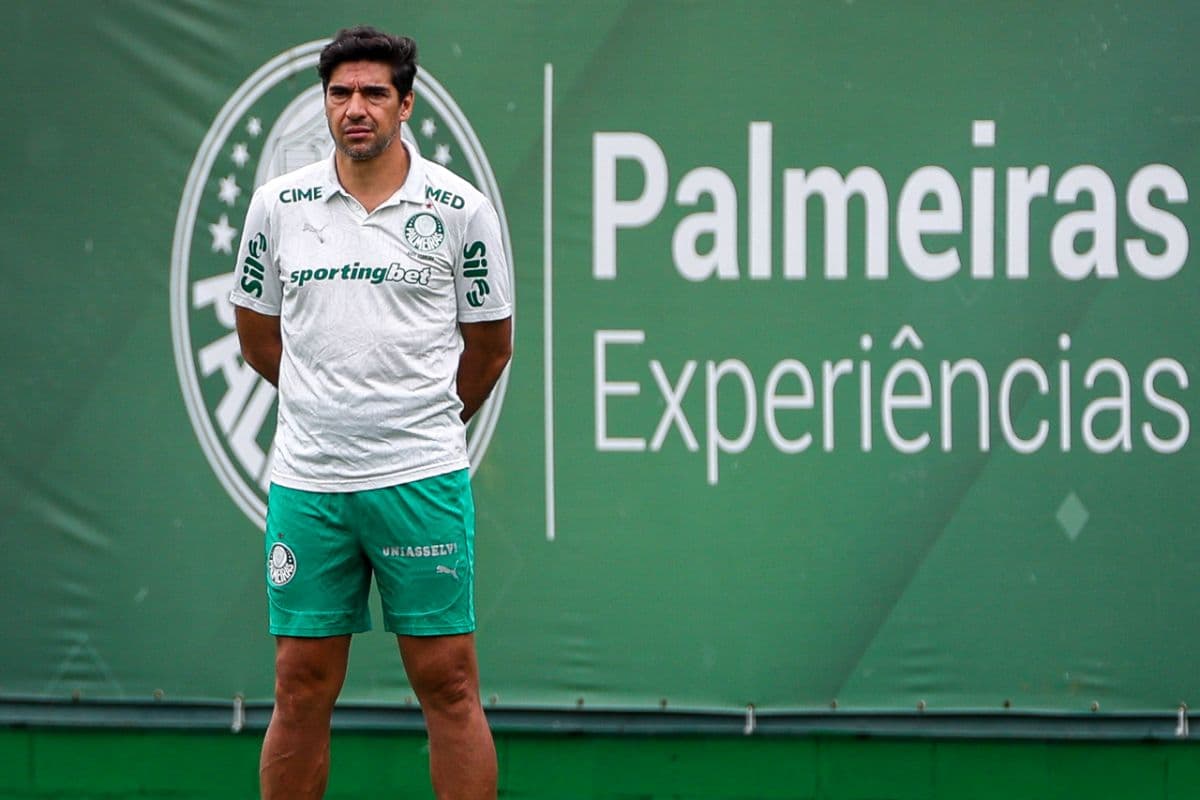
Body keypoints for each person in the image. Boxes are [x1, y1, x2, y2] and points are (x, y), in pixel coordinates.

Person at [229, 26, 511, 800]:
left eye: (374, 94)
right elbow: (257, 336)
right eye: (341, 93)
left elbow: (489, 348)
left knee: (449, 684)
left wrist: (415, 426)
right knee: (298, 685)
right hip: (310, 485)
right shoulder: (276, 207)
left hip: (420, 481)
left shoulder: (460, 209)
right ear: (325, 103)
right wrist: (328, 408)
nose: (356, 109)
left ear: (406, 103)